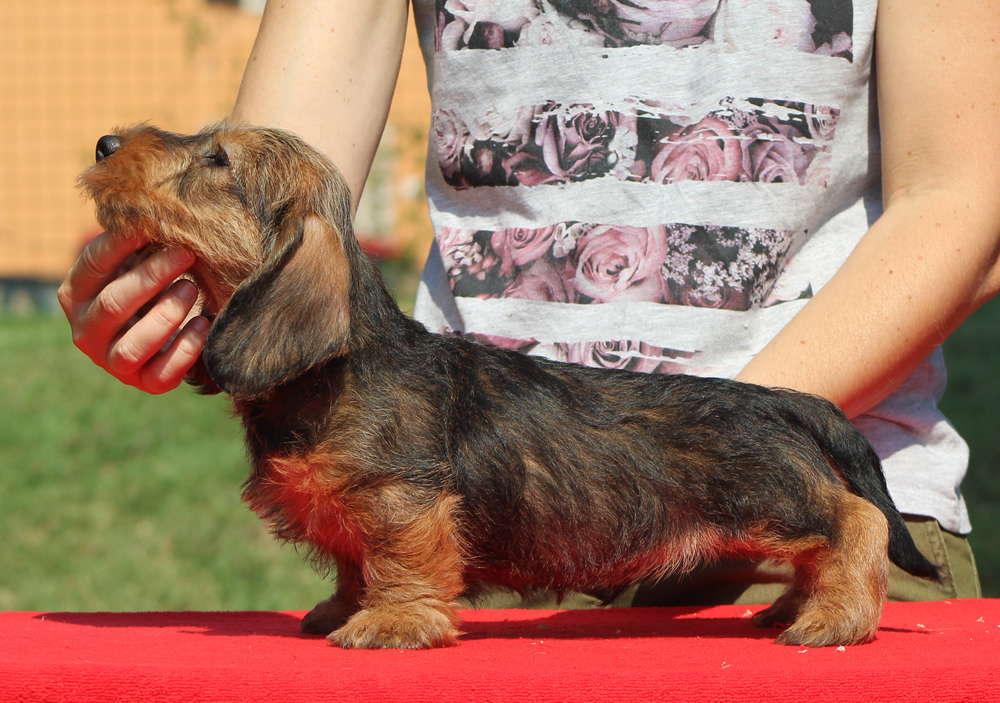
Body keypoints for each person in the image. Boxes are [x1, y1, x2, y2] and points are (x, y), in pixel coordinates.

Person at [60, 0, 1000, 603]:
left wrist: (679, 458)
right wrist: (180, 297)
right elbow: (288, 177)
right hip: (470, 527)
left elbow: (967, 202)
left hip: (799, 507)